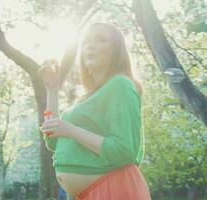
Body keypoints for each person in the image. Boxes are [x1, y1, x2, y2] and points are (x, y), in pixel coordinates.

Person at [38, 23, 151, 199]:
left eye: (101, 39)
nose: (91, 45)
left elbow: (125, 150)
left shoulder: (121, 85)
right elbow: (52, 140)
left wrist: (72, 130)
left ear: (117, 50)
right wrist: (52, 90)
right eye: (86, 41)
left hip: (112, 188)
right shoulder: (87, 98)